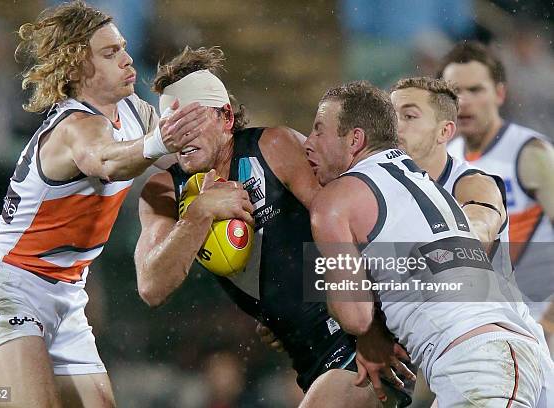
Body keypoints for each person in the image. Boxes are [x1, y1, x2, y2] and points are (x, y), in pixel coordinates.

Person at [134, 46, 413, 407]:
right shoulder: (162, 193)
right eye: (170, 125)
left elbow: (357, 230)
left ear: (226, 118)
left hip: (361, 349)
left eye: (192, 120)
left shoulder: (272, 147)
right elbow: (151, 287)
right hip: (307, 361)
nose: (180, 134)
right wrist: (200, 212)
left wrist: (373, 326)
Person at [0, 2, 205, 407]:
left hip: (67, 296)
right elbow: (107, 160)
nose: (127, 59)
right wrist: (163, 140)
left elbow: (180, 155)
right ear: (75, 69)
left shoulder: (131, 111)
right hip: (8, 289)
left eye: (123, 48)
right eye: (109, 54)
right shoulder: (73, 127)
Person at [305, 80, 552, 407]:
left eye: (319, 130)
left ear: (355, 139)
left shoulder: (336, 200)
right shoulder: (427, 183)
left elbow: (355, 317)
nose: (308, 143)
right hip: (517, 355)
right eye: (396, 116)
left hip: (479, 360)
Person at [390, 76, 551, 406]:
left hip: (501, 357)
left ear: (445, 132)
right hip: (451, 364)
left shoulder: (472, 182)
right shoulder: (386, 192)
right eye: (390, 116)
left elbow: (481, 219)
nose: (394, 127)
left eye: (409, 115)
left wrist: (468, 236)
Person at [439, 41, 554, 352]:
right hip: (484, 324)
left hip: (541, 326)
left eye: (476, 90)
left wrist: (550, 322)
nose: (463, 102)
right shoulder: (445, 159)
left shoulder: (530, 153)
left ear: (500, 94)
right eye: (454, 92)